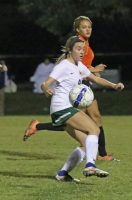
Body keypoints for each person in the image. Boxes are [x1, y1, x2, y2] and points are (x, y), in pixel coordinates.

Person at [24, 16, 115, 161]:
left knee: (90, 118)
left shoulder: (85, 43)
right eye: (84, 27)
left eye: (89, 27)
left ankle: (100, 154)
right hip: (78, 86)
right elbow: (77, 65)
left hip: (84, 84)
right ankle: (98, 154)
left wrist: (92, 71)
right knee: (73, 121)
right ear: (78, 29)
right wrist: (94, 69)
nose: (87, 29)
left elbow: (82, 66)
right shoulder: (79, 44)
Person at [40, 35, 124, 182]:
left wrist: (113, 85)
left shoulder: (79, 66)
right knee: (95, 130)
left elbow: (96, 79)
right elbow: (46, 83)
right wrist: (46, 88)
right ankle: (90, 166)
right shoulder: (64, 66)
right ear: (69, 50)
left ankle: (62, 174)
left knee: (87, 145)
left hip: (65, 110)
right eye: (78, 49)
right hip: (62, 108)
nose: (82, 52)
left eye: (83, 49)